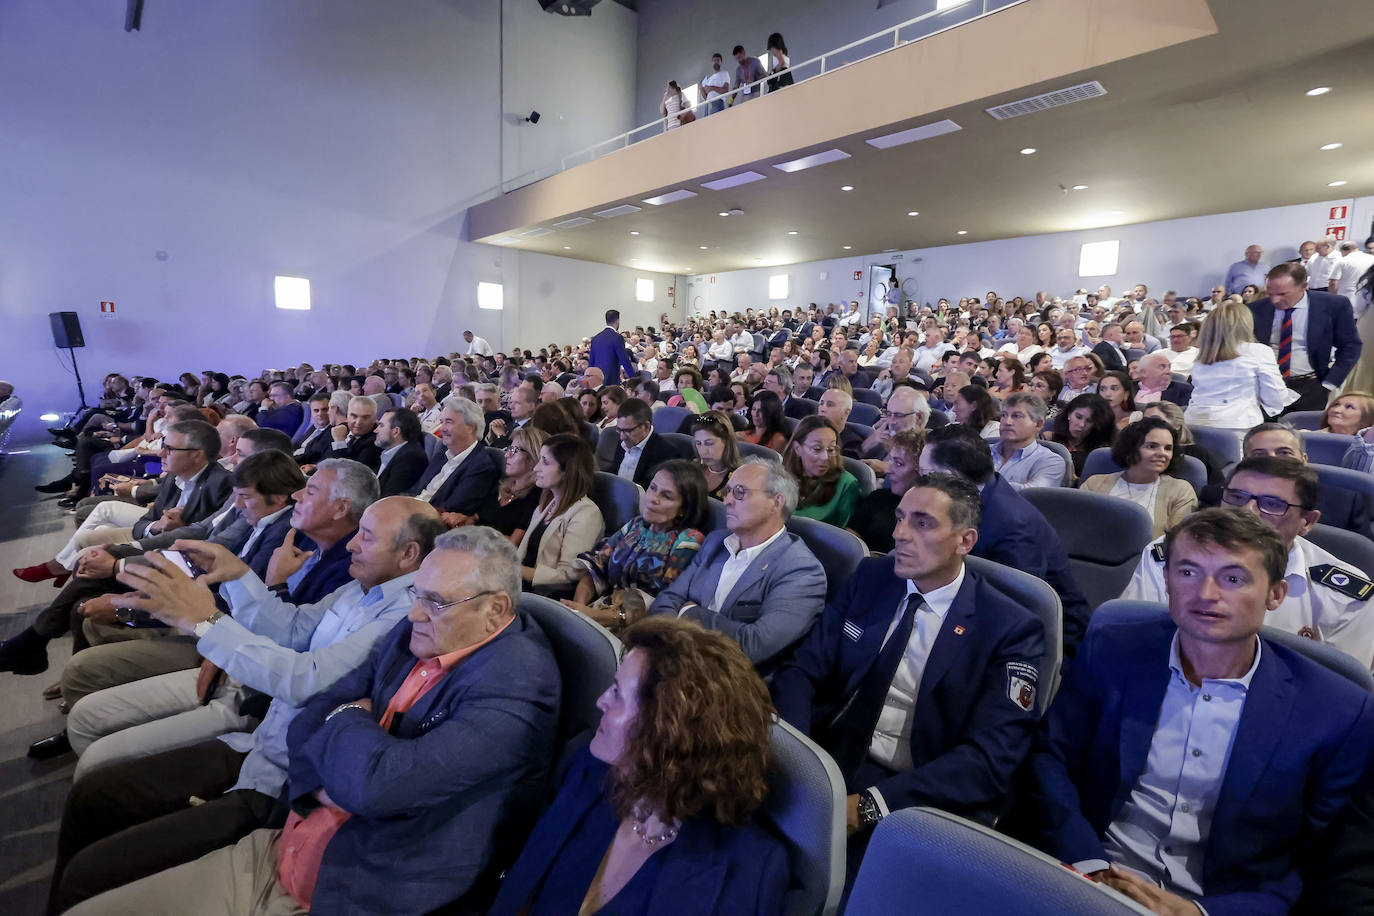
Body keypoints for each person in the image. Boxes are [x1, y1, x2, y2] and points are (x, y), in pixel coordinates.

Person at [64, 526, 562, 916]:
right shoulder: (419, 631)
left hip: (347, 889)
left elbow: (375, 788)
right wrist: (349, 737)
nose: (412, 613)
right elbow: (308, 720)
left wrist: (345, 729)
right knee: (86, 894)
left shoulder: (517, 682)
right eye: (416, 595)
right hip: (286, 841)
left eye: (433, 601)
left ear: (496, 610)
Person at [48, 496, 444, 911]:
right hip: (258, 746)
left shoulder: (403, 614)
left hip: (280, 783)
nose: (351, 545)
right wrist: (237, 574)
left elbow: (306, 681)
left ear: (408, 554)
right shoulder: (364, 588)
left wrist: (203, 622)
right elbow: (292, 629)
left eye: (365, 536)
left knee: (90, 870)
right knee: (95, 795)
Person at [1025, 508, 1374, 914]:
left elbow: (1325, 864)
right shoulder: (1113, 650)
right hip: (1084, 876)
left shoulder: (1338, 712)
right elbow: (1050, 759)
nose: (1206, 594)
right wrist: (1091, 866)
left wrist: (1201, 912)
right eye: (1188, 572)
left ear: (1275, 594)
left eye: (1233, 578)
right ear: (1167, 580)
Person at [772, 474, 1046, 882]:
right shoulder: (873, 578)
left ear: (965, 541)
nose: (899, 533)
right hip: (828, 751)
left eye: (922, 523)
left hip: (913, 788)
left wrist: (870, 805)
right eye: (900, 518)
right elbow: (802, 669)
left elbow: (989, 760)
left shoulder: (1009, 628)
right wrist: (799, 760)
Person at [488, 616, 788, 916]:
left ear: (668, 730)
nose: (601, 701)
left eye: (618, 693)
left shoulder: (749, 871)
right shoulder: (584, 771)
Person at [1123, 456, 1374, 669]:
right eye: (1236, 497)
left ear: (1307, 521)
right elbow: (1135, 641)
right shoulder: (1170, 554)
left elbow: (1339, 694)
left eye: (1272, 504)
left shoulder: (1347, 597)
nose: (1247, 511)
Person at [920, 426, 1092, 658]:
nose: (919, 484)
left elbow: (1014, 613)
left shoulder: (1013, 528)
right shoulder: (975, 494)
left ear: (948, 478)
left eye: (924, 474)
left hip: (1049, 643)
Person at [650, 457, 826, 669]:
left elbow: (754, 646)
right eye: (728, 492)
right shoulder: (716, 541)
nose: (727, 501)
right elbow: (667, 599)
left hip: (730, 683)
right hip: (674, 658)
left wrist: (688, 613)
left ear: (776, 502)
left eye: (740, 492)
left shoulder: (802, 571)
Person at [562, 461, 709, 633]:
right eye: (653, 488)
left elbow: (667, 604)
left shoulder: (688, 541)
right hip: (598, 613)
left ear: (684, 508)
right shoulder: (636, 525)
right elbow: (597, 565)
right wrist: (578, 608)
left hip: (642, 631)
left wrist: (594, 616)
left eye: (666, 496)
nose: (653, 498)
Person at [1248, 262, 1363, 412]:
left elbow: (1350, 345)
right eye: (1270, 294)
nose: (1275, 300)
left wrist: (1329, 383)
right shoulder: (1255, 310)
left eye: (1282, 294)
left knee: (1304, 434)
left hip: (1311, 388)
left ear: (1303, 286)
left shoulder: (1333, 305)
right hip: (1267, 387)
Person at [1185, 300, 1294, 443]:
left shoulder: (1202, 355)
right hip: (1236, 426)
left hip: (1193, 421)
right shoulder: (1258, 351)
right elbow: (1275, 395)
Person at [1081, 417, 1198, 538]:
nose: (1162, 453)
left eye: (1168, 448)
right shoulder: (1094, 484)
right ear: (1130, 449)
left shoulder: (1180, 491)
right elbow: (1078, 529)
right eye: (1152, 446)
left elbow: (1177, 543)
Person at [410, 396, 503, 523]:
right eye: (441, 422)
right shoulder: (441, 455)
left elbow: (451, 508)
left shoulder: (481, 466)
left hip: (427, 525)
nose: (441, 428)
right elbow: (416, 491)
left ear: (470, 427)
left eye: (448, 422)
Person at [848, 429, 924, 554]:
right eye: (891, 461)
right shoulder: (878, 497)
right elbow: (851, 535)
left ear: (922, 470)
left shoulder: (930, 517)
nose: (888, 471)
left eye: (898, 464)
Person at [783, 415, 861, 527]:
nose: (825, 457)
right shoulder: (781, 475)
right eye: (817, 449)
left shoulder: (847, 484)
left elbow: (844, 538)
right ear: (797, 448)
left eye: (831, 449)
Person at [475, 425, 547, 546]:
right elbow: (477, 518)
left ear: (533, 457)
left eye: (514, 450)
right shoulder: (504, 484)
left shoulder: (537, 495)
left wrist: (475, 534)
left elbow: (514, 543)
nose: (506, 455)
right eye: (509, 449)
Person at [989, 393, 1067, 488]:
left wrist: (977, 485)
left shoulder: (1050, 461)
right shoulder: (983, 451)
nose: (1007, 422)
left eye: (1016, 416)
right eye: (1004, 415)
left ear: (1038, 424)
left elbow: (1030, 495)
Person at [607, 398, 678, 488]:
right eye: (619, 430)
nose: (622, 437)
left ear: (646, 426)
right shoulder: (624, 440)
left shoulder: (667, 454)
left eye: (628, 431)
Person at [374, 407, 429, 497]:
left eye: (381, 425)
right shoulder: (393, 452)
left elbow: (389, 497)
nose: (375, 430)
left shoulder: (411, 458)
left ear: (396, 432)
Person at [690, 410, 742, 500]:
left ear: (726, 441)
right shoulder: (692, 469)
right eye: (698, 443)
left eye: (709, 443)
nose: (703, 451)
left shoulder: (739, 479)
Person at [589, 309, 639, 384]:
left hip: (597, 379)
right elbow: (624, 360)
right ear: (617, 321)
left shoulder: (595, 338)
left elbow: (591, 361)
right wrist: (634, 380)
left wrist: (589, 378)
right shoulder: (617, 337)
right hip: (611, 379)